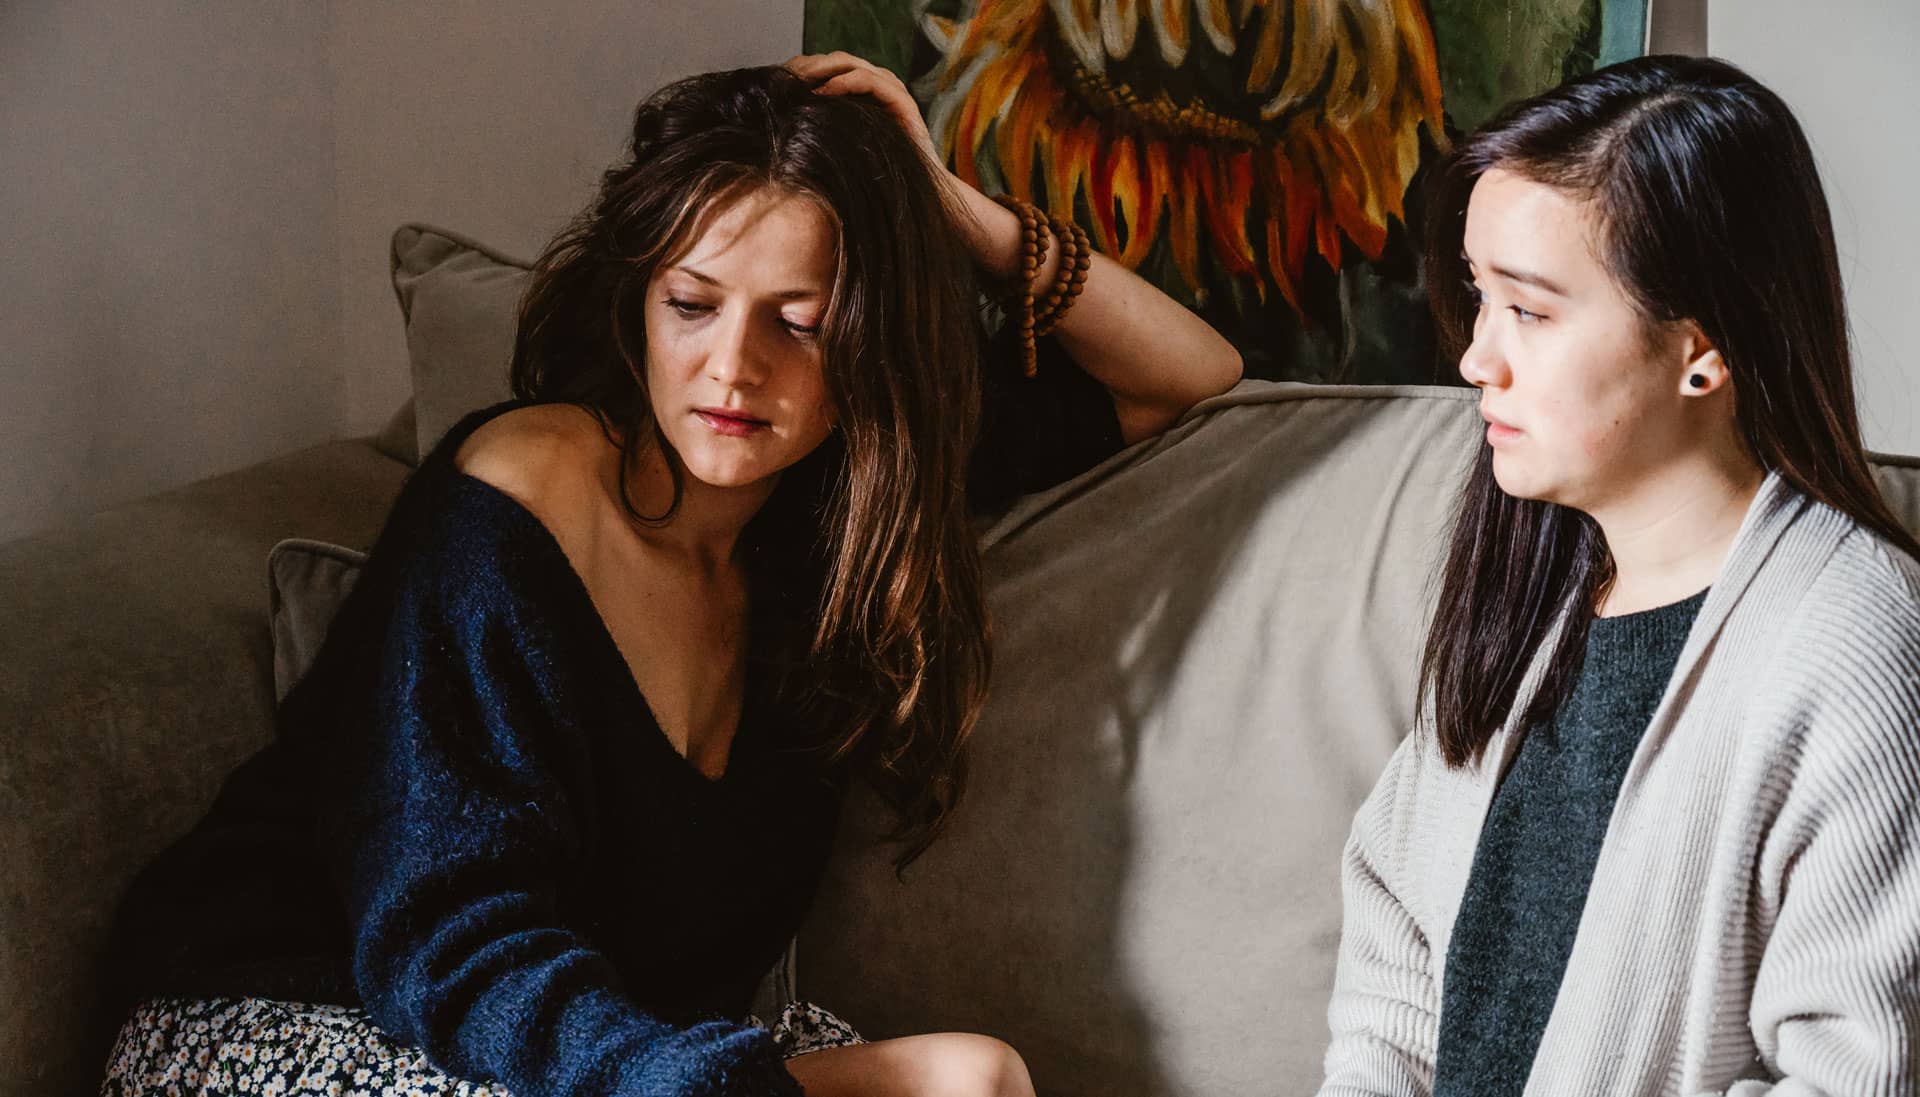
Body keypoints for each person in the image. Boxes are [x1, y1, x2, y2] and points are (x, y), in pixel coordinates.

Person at [100, 55, 1241, 1097]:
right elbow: (450, 948)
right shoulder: (515, 501)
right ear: (638, 302)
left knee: (971, 1078)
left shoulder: (834, 518)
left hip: (619, 1048)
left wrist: (946, 206)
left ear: (868, 345)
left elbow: (1188, 374)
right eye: (692, 305)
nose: (733, 367)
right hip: (304, 1016)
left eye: (801, 323)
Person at [1317, 54, 1920, 1097]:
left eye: (1530, 310)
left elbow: (1852, 1071)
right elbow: (1395, 940)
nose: (1476, 358)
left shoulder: (1857, 649)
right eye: (1479, 295)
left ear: (1702, 350)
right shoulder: (1533, 586)